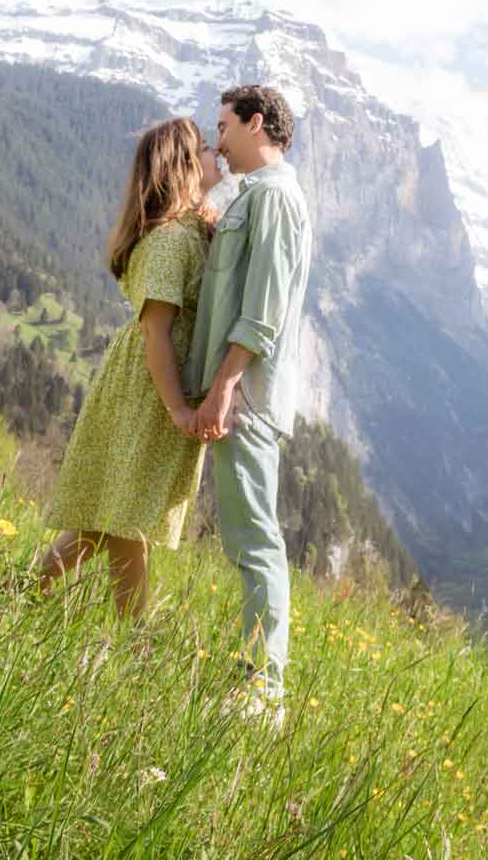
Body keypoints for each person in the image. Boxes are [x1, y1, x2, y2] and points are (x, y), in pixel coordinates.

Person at [37, 117, 219, 616]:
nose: (216, 154)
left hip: (148, 383)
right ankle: (133, 642)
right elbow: (156, 330)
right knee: (129, 516)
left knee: (108, 515)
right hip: (149, 387)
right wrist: (179, 407)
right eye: (205, 149)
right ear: (185, 166)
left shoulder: (188, 229)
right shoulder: (168, 241)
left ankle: (16, 594)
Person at [188, 84, 313, 709]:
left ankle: (264, 688)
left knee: (256, 538)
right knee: (244, 536)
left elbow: (262, 313)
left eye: (224, 126)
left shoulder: (277, 198)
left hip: (247, 400)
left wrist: (223, 390)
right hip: (235, 394)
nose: (218, 140)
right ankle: (257, 675)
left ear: (256, 123)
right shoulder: (253, 196)